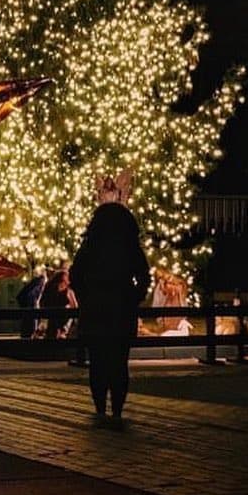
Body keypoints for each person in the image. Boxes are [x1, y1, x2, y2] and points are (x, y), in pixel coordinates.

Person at [69, 176, 151, 428]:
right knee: (119, 362)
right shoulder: (129, 247)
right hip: (121, 311)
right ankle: (116, 409)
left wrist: (86, 298)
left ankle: (100, 408)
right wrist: (132, 299)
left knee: (98, 362)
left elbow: (75, 274)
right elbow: (144, 277)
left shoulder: (91, 245)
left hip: (95, 311)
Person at [39, 265, 77, 339]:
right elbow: (74, 306)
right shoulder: (55, 289)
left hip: (57, 316)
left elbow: (74, 305)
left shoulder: (67, 290)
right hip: (55, 316)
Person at [16, 269, 47, 338]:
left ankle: (29, 334)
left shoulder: (34, 283)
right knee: (31, 322)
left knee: (28, 323)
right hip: (31, 306)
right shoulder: (40, 282)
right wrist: (35, 304)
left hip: (28, 305)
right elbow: (34, 296)